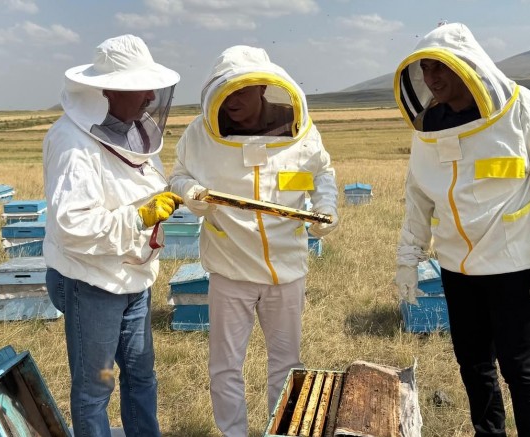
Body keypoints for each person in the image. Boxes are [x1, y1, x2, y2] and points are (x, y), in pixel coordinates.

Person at [393, 23, 530, 437]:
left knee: (522, 369)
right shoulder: (428, 123)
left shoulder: (523, 109)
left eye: (440, 67)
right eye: (425, 69)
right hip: (457, 269)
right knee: (473, 365)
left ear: (467, 64)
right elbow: (418, 195)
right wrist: (409, 256)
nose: (431, 78)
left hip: (515, 266)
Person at [169, 45, 339, 437]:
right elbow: (178, 175)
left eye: (242, 91)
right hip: (229, 270)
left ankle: (282, 431)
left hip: (286, 270)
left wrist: (326, 206)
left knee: (287, 363)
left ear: (263, 87)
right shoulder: (200, 133)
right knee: (225, 366)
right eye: (227, 92)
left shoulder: (298, 127)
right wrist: (189, 191)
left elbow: (322, 172)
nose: (232, 100)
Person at [42, 34, 182, 437]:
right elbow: (73, 226)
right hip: (92, 283)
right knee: (97, 385)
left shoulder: (133, 132)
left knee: (141, 375)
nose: (151, 97)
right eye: (141, 87)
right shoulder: (73, 144)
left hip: (133, 278)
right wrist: (139, 217)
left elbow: (138, 186)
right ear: (108, 91)